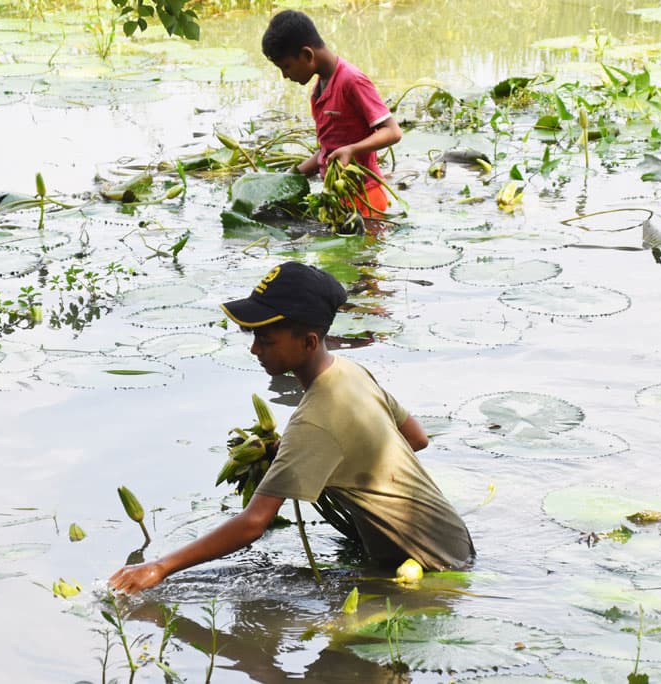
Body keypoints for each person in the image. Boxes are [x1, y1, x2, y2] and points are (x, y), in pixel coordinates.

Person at [110, 262, 474, 594]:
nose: (255, 349)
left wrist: (160, 566)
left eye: (266, 340)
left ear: (309, 342)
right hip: (454, 542)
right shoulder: (350, 372)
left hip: (431, 568)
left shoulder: (313, 420)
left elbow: (254, 523)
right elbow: (417, 438)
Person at [261, 9, 402, 221]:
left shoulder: (351, 81)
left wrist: (352, 149)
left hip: (366, 198)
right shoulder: (319, 90)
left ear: (307, 55)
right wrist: (290, 176)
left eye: (286, 66)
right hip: (337, 199)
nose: (285, 75)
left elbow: (393, 132)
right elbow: (329, 153)